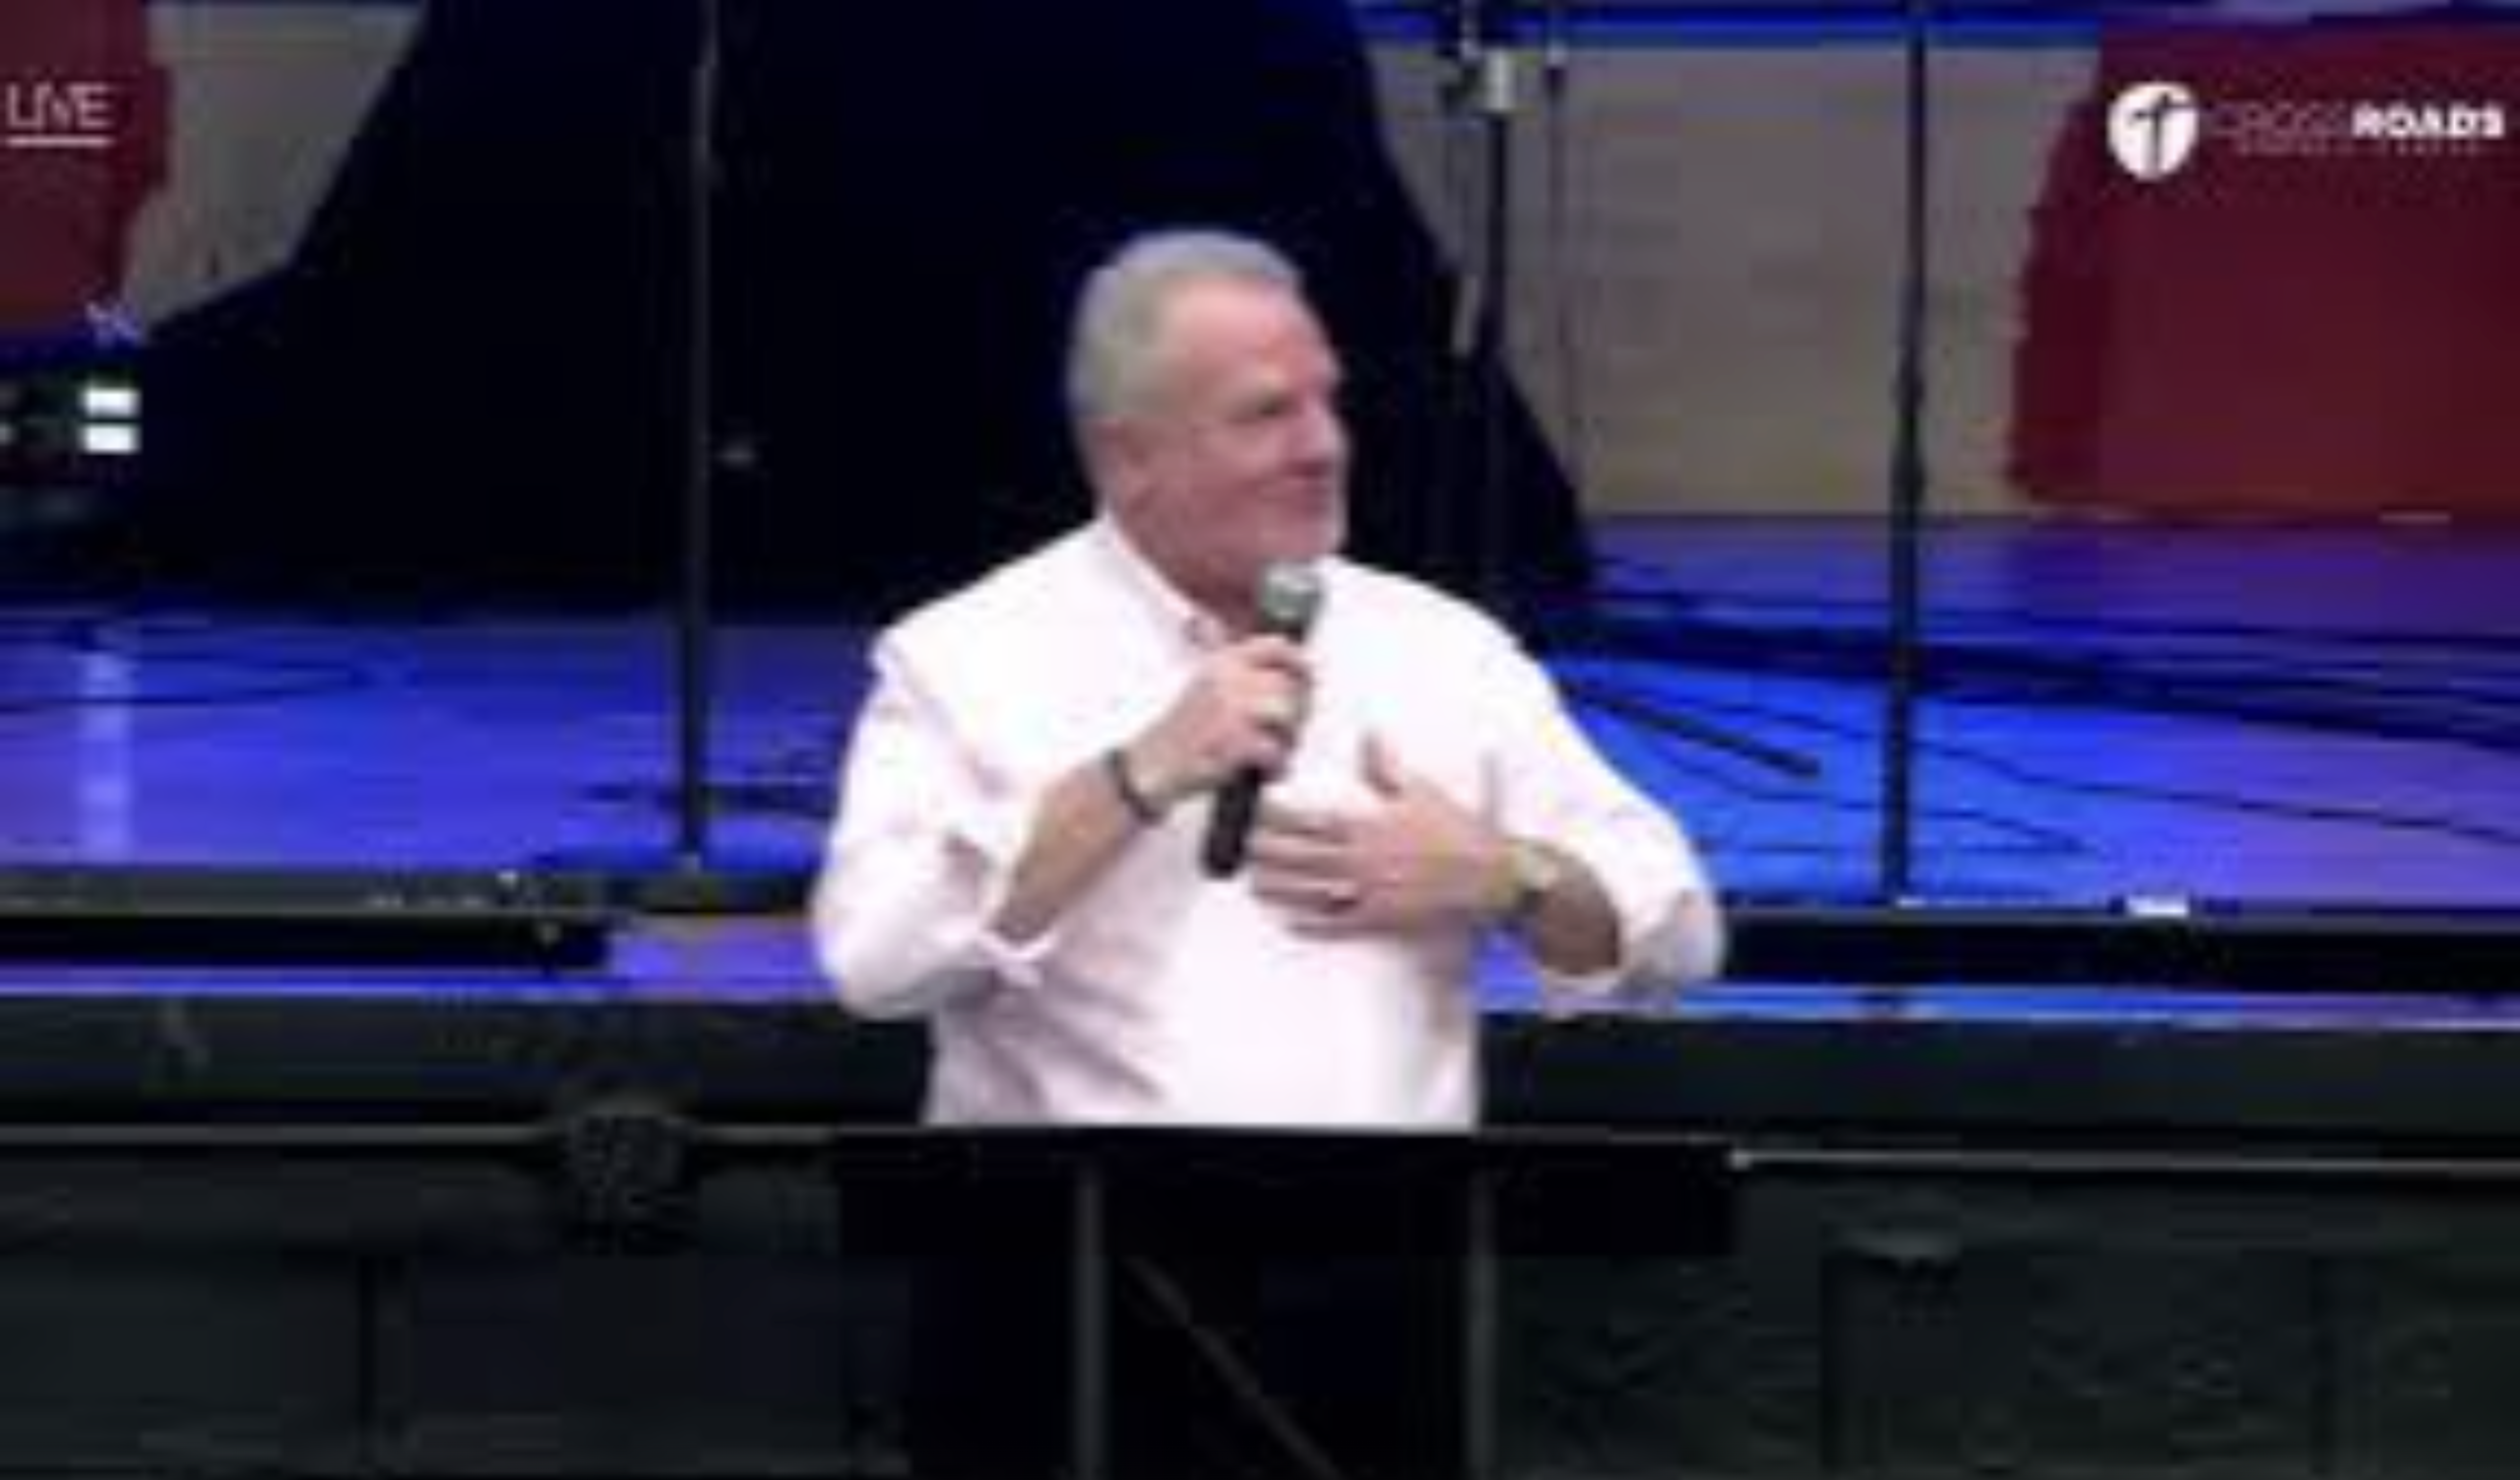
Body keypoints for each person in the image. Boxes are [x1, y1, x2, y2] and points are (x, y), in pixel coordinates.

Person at [812, 227, 1724, 1479]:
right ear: (1127, 456)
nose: (1322, 445)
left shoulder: (1441, 653)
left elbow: (1677, 929)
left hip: (1374, 1318)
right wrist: (1137, 775)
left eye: (1326, 402)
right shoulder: (968, 658)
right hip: (1065, 1313)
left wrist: (1503, 875)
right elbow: (876, 960)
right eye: (1263, 414)